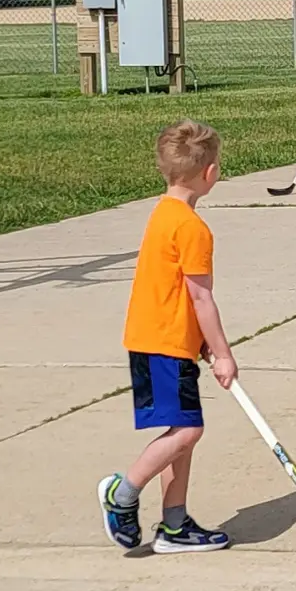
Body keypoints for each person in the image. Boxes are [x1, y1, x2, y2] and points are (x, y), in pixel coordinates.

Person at [98, 120, 238, 554]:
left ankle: (175, 526)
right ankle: (122, 492)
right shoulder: (193, 228)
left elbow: (172, 288)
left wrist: (197, 342)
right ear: (210, 172)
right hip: (163, 343)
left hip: (161, 338)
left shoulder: (163, 212)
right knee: (188, 431)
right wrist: (222, 354)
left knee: (183, 429)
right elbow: (201, 298)